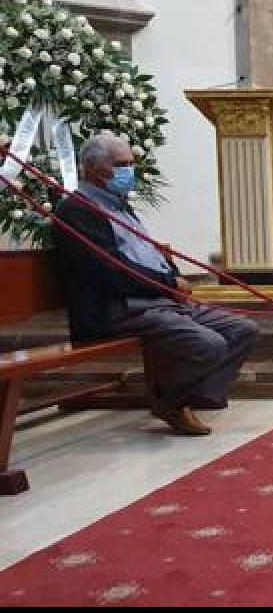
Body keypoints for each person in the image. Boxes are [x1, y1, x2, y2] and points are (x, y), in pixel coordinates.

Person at [53, 132, 258, 436]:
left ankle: (186, 397)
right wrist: (167, 283)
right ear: (93, 168)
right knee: (208, 345)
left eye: (130, 163)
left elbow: (145, 251)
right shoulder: (77, 211)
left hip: (156, 300)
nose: (129, 171)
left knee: (243, 330)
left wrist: (171, 280)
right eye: (121, 164)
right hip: (118, 309)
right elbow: (110, 271)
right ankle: (171, 401)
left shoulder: (119, 206)